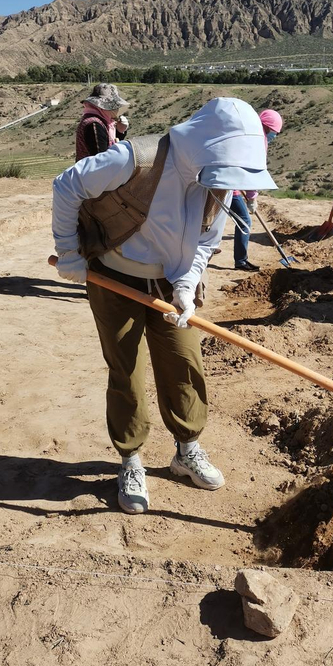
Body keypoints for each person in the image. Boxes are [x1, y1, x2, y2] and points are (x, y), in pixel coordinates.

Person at [52, 97, 277, 514]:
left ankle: (186, 450)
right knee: (127, 369)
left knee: (184, 362)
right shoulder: (135, 159)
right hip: (115, 276)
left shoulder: (219, 179)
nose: (223, 183)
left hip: (170, 281)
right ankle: (131, 459)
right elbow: (67, 185)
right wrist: (67, 252)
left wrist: (187, 286)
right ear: (202, 145)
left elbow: (207, 240)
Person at [231, 108, 283, 271]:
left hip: (223, 180)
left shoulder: (246, 131)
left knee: (213, 219)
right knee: (244, 220)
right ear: (267, 127)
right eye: (273, 132)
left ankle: (208, 248)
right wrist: (252, 197)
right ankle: (241, 261)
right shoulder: (259, 139)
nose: (273, 135)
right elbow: (253, 169)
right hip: (229, 186)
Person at [75, 83, 130, 162]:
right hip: (91, 173)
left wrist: (119, 131)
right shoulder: (94, 125)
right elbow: (101, 160)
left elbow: (107, 142)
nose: (117, 109)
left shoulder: (102, 121)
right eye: (114, 106)